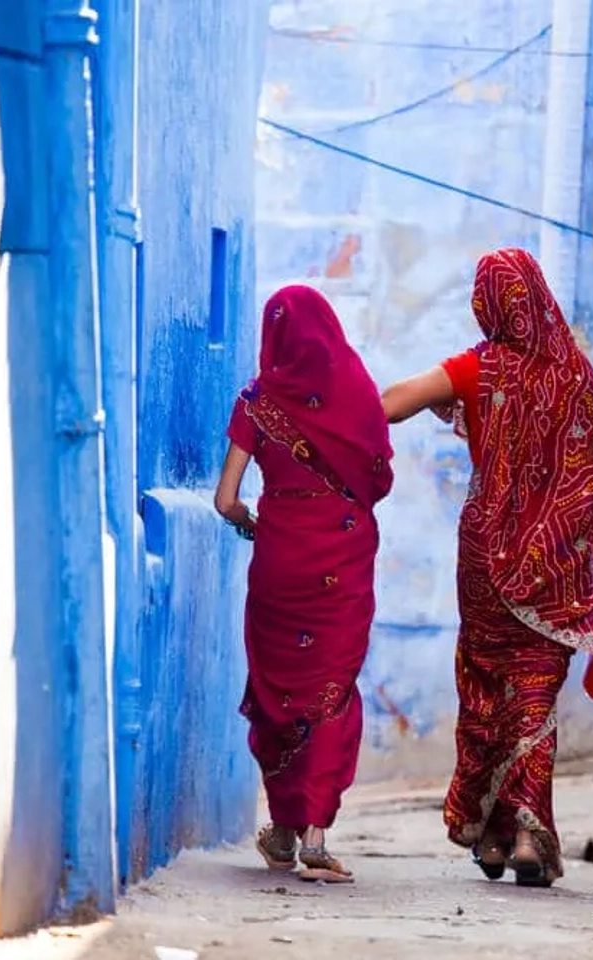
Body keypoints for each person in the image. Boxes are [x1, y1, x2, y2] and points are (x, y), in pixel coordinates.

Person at [380, 247, 593, 888]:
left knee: (486, 687)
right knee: (534, 692)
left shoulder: (480, 369)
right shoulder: (579, 378)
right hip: (557, 561)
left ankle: (492, 837)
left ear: (487, 304)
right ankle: (529, 832)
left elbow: (392, 403)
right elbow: (591, 483)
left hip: (485, 556)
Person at [214, 284, 393, 884]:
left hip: (279, 559)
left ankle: (285, 829)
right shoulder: (359, 393)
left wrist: (254, 526)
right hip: (341, 557)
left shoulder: (256, 400)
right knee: (331, 688)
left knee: (278, 693)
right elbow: (379, 478)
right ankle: (313, 835)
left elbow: (226, 500)